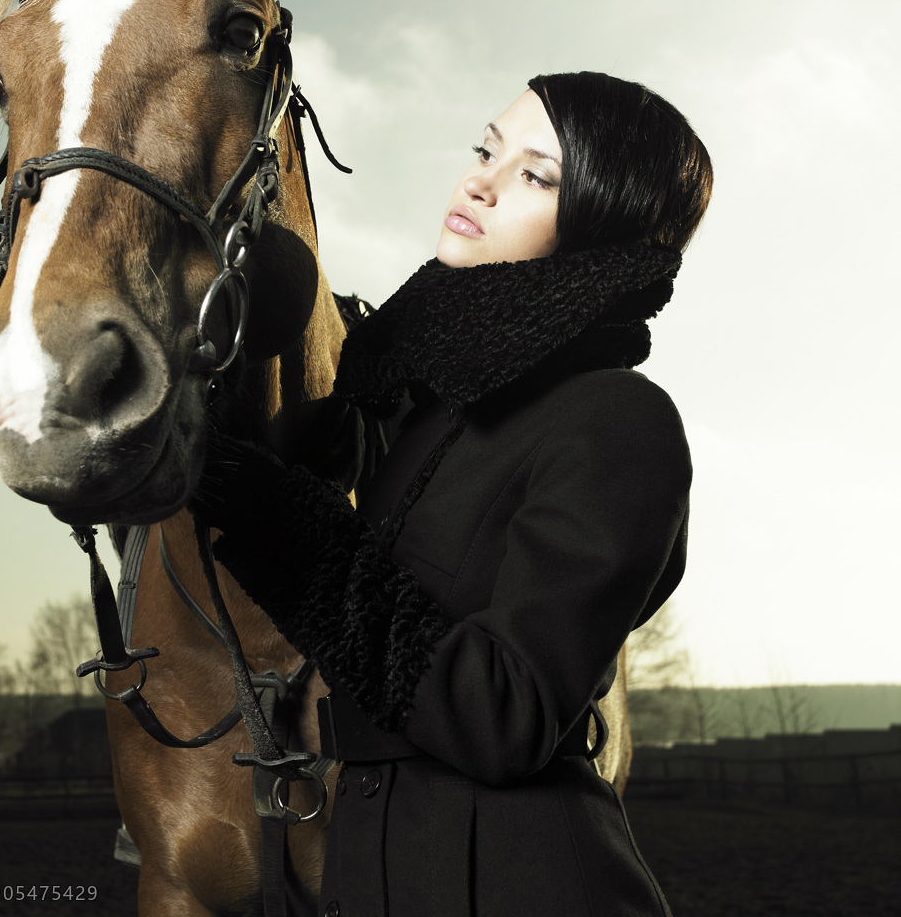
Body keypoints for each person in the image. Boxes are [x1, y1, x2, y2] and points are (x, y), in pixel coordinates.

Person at [194, 70, 713, 917]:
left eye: (537, 176)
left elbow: (503, 714)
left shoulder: (621, 422)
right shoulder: (422, 409)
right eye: (487, 149)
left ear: (603, 229)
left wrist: (286, 532)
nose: (481, 181)